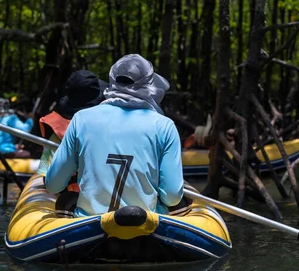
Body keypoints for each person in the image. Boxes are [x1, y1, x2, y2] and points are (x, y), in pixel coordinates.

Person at [45, 54, 190, 217]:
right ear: (150, 84)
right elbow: (171, 197)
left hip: (89, 226)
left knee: (66, 200)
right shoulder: (165, 126)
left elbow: (53, 185)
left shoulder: (81, 119)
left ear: (112, 81)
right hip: (144, 224)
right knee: (182, 204)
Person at [36, 69, 106, 198]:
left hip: (73, 198)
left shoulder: (58, 131)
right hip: (104, 197)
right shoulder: (110, 129)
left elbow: (46, 176)